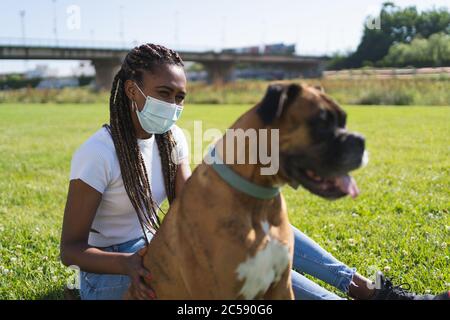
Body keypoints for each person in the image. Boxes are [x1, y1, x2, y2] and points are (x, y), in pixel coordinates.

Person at [60, 43, 448, 300]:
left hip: (158, 245)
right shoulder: (97, 153)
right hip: (113, 272)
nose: (174, 105)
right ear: (132, 91)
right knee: (257, 266)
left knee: (267, 235)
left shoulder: (171, 136)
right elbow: (70, 249)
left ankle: (363, 288)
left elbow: (189, 205)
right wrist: (126, 263)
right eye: (164, 94)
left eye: (180, 96)